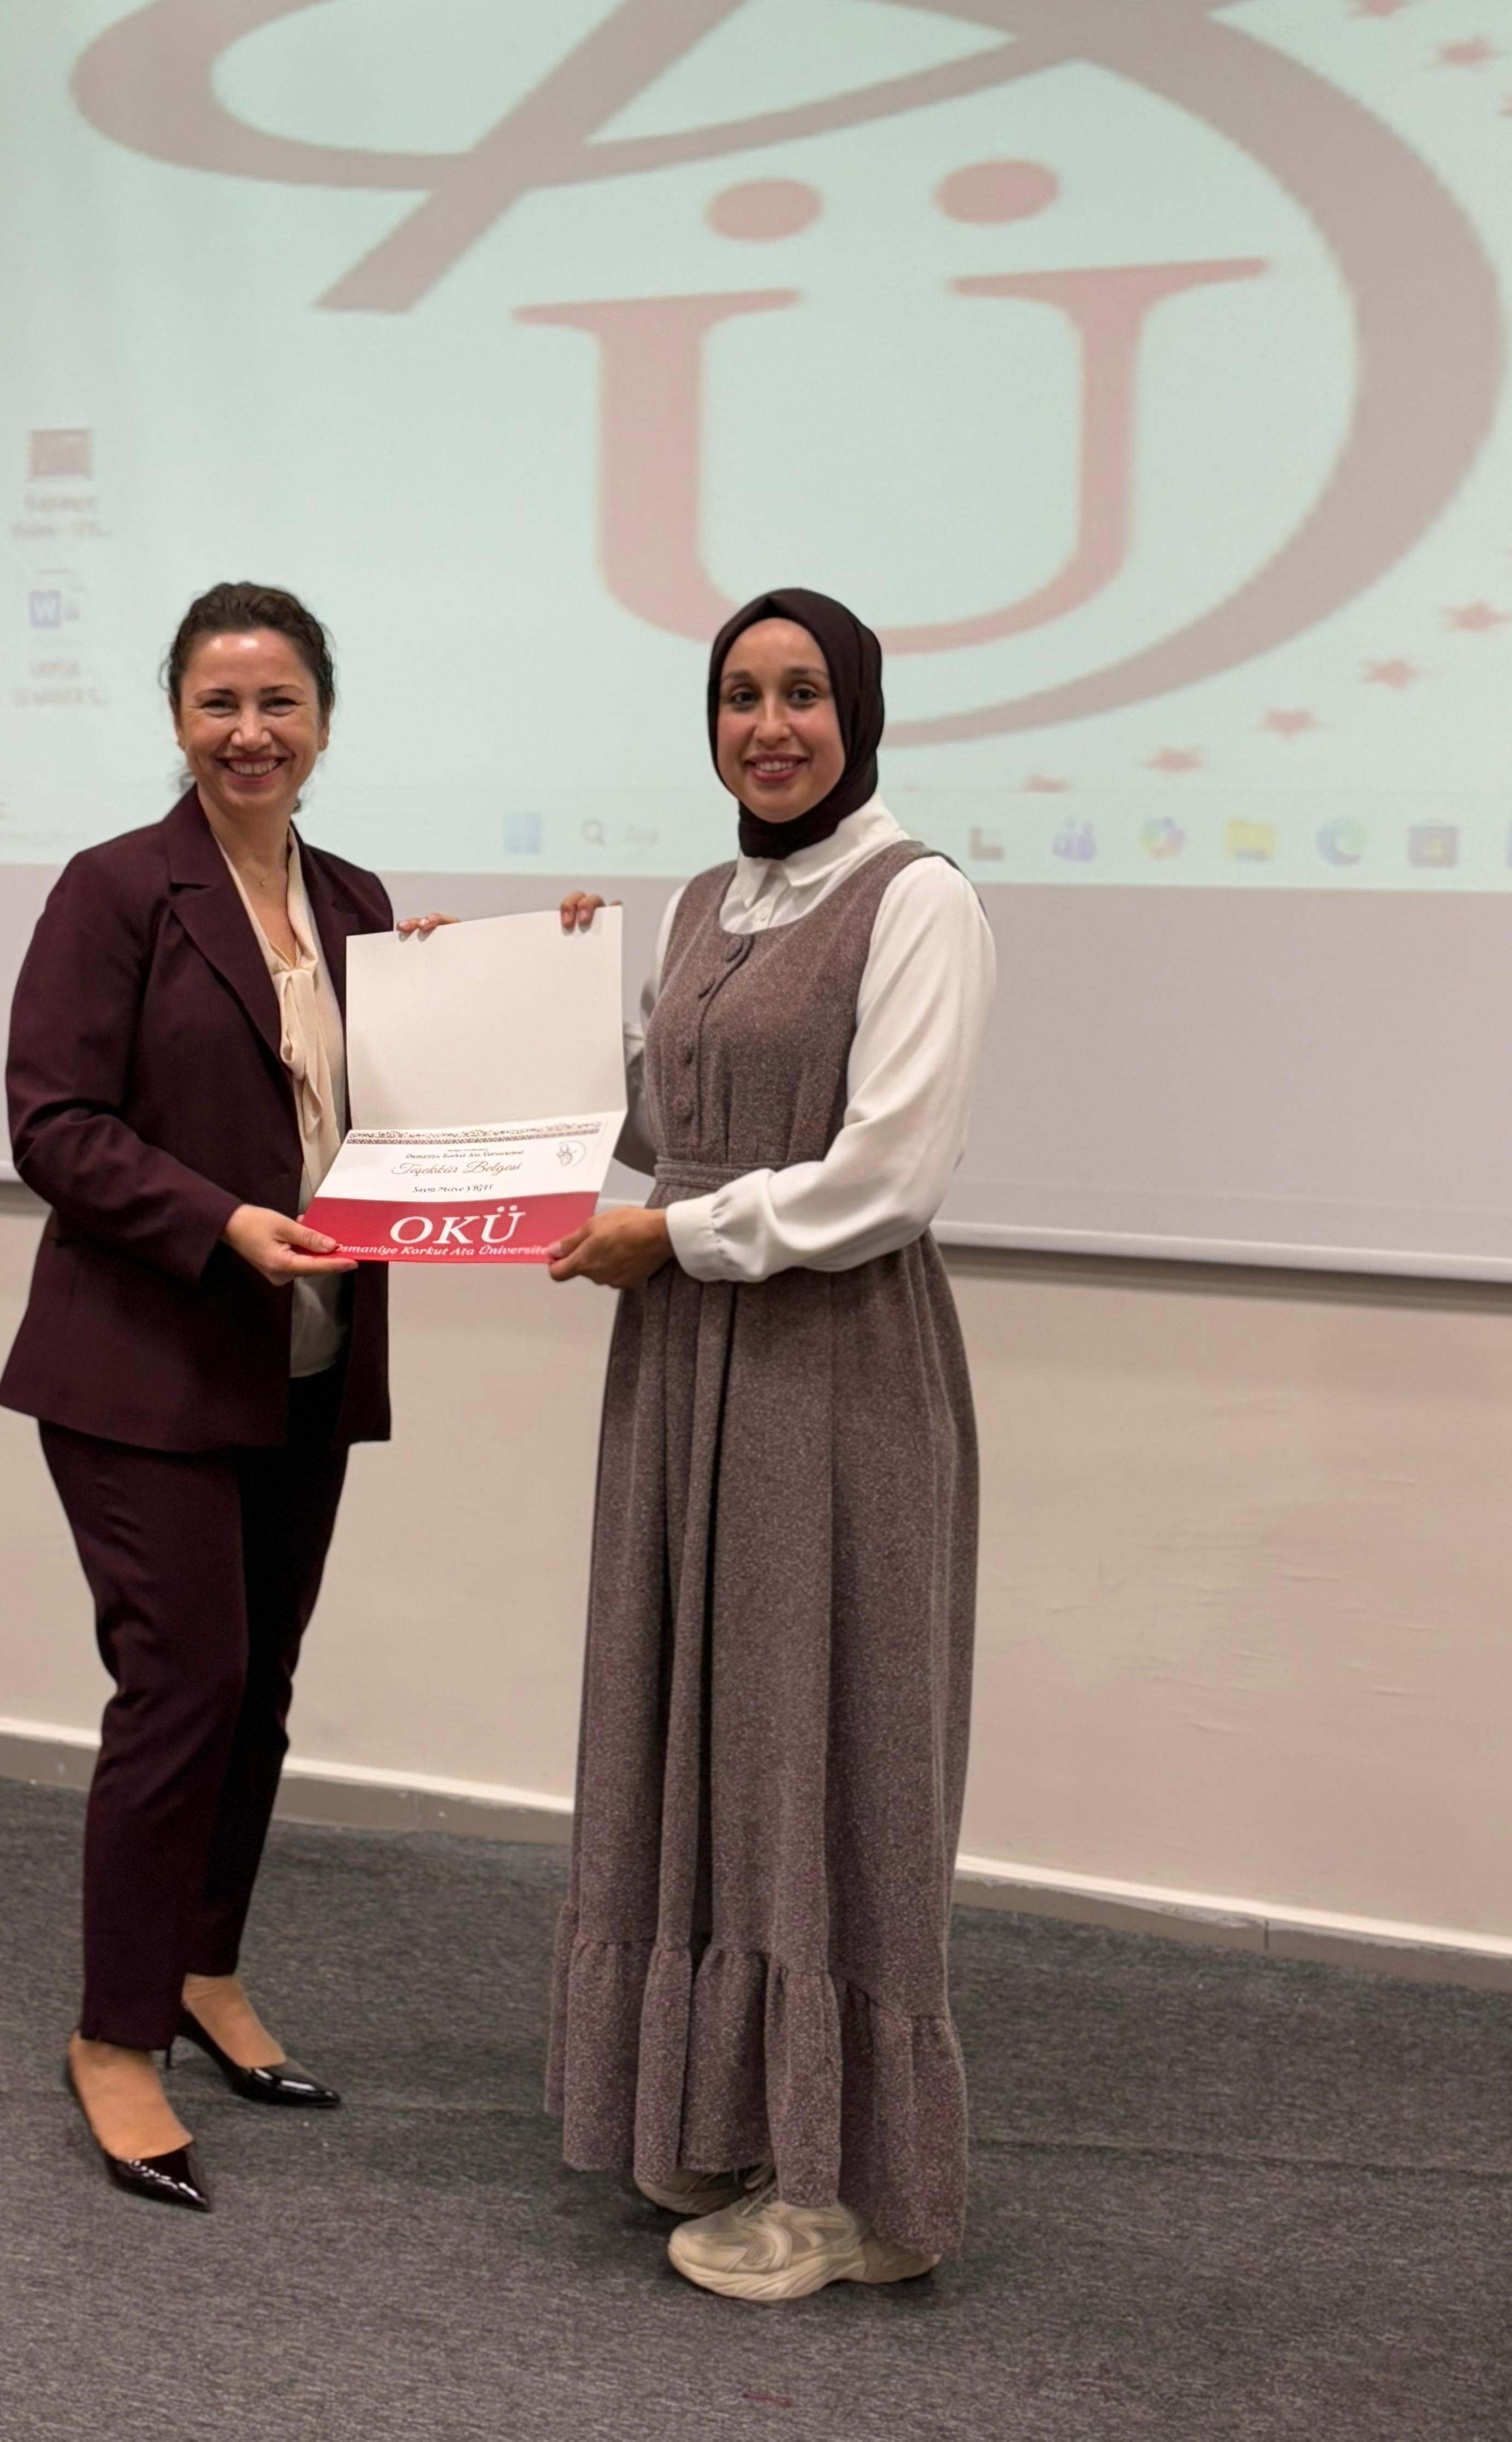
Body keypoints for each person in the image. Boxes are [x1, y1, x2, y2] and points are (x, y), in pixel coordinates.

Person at [544, 587, 996, 2302]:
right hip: (687, 1367)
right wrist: (512, 1004)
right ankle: (727, 2112)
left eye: (805, 694)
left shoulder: (919, 897)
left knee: (824, 1746)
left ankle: (845, 2184)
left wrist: (675, 1236)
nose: (771, 726)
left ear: (857, 714)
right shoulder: (704, 902)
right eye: (741, 696)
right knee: (698, 1732)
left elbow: (889, 1176)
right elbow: (669, 1123)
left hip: (831, 1368)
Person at [0, 582, 447, 2210]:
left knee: (257, 1690)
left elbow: (398, 1111)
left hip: (307, 1360)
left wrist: (506, 990)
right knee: (183, 1685)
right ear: (177, 719)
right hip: (144, 1361)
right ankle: (116, 2036)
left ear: (323, 718)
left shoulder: (360, 902)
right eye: (218, 703)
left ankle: (202, 1967)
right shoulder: (116, 888)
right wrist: (221, 1222)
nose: (250, 733)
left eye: (278, 703)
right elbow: (52, 1123)